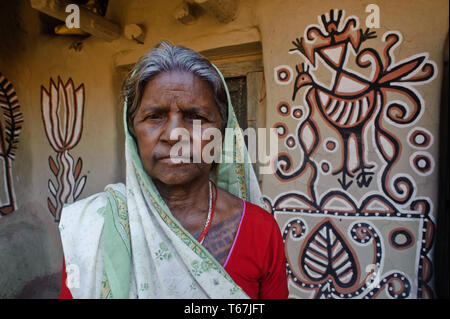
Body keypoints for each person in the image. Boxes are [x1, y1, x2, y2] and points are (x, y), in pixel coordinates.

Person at [58, 42, 289, 299]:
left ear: (222, 134)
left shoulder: (259, 230)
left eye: (197, 117)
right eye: (154, 116)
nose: (174, 135)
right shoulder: (95, 228)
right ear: (133, 132)